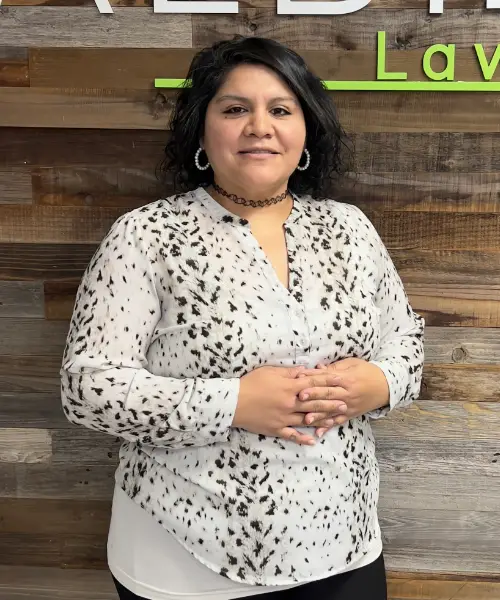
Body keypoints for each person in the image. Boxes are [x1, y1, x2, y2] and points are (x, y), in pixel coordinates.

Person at [60, 36, 425, 600]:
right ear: (202, 132)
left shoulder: (350, 228)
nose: (260, 127)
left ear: (306, 132)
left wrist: (379, 383)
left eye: (281, 109)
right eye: (235, 109)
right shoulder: (146, 235)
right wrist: (233, 402)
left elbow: (406, 340)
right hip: (183, 555)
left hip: (344, 546)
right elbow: (87, 388)